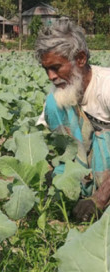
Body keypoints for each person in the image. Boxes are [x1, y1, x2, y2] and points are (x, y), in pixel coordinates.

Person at [35, 21, 110, 222]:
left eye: (56, 67)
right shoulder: (59, 96)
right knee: (53, 103)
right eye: (46, 69)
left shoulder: (106, 87)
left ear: (80, 58)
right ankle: (79, 187)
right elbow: (50, 144)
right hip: (83, 166)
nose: (51, 76)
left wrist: (100, 199)